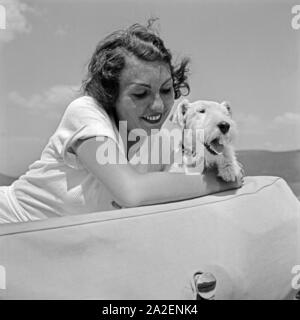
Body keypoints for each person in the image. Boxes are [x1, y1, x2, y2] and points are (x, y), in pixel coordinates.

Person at [0, 23, 243, 224]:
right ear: (110, 92)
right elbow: (132, 192)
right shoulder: (86, 113)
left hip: (62, 251)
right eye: (140, 94)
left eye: (167, 90)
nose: (158, 106)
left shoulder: (160, 138)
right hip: (11, 227)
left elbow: (185, 178)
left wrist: (226, 164)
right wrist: (217, 182)